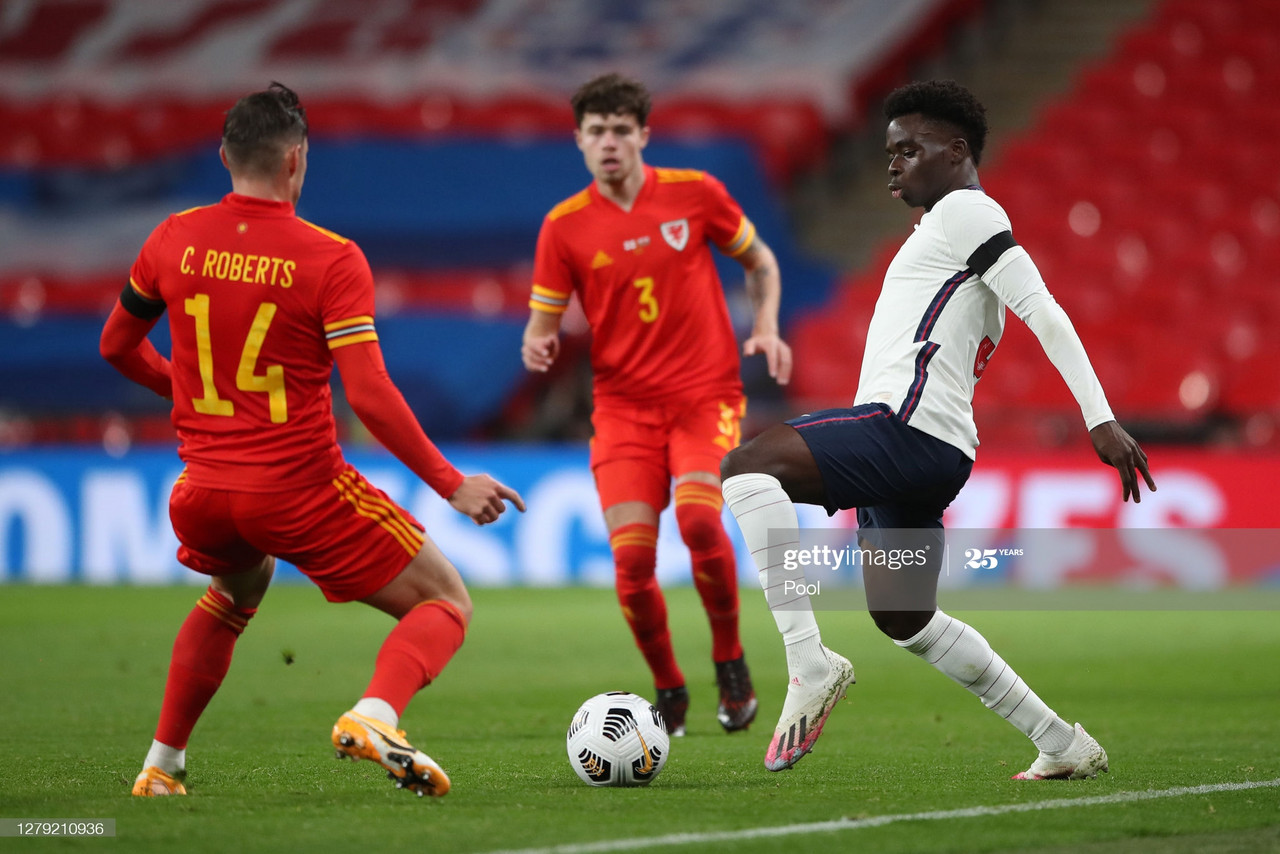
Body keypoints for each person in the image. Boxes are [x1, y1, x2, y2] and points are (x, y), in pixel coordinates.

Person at [720, 80, 1156, 777]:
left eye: (908, 149)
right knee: (905, 618)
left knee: (747, 468)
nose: (893, 164)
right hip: (930, 453)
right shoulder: (942, 230)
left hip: (904, 434)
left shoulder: (967, 213)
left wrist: (1099, 417)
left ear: (955, 151)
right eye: (890, 152)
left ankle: (808, 663)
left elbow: (1044, 309)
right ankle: (1061, 743)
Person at [101, 83, 524, 799]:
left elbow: (116, 346)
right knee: (446, 601)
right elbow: (369, 394)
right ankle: (376, 715)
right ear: (297, 161)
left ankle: (161, 767)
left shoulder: (172, 235)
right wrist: (450, 481)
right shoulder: (330, 258)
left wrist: (200, 399)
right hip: (296, 490)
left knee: (234, 593)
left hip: (200, 491)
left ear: (224, 155)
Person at [521, 73, 792, 736]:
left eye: (620, 129)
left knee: (701, 525)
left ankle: (730, 662)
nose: (609, 141)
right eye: (596, 131)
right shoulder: (563, 228)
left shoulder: (695, 195)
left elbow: (760, 262)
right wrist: (539, 341)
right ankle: (669, 686)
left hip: (704, 398)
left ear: (643, 134)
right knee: (632, 564)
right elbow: (541, 321)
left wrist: (766, 325)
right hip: (622, 411)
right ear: (579, 141)